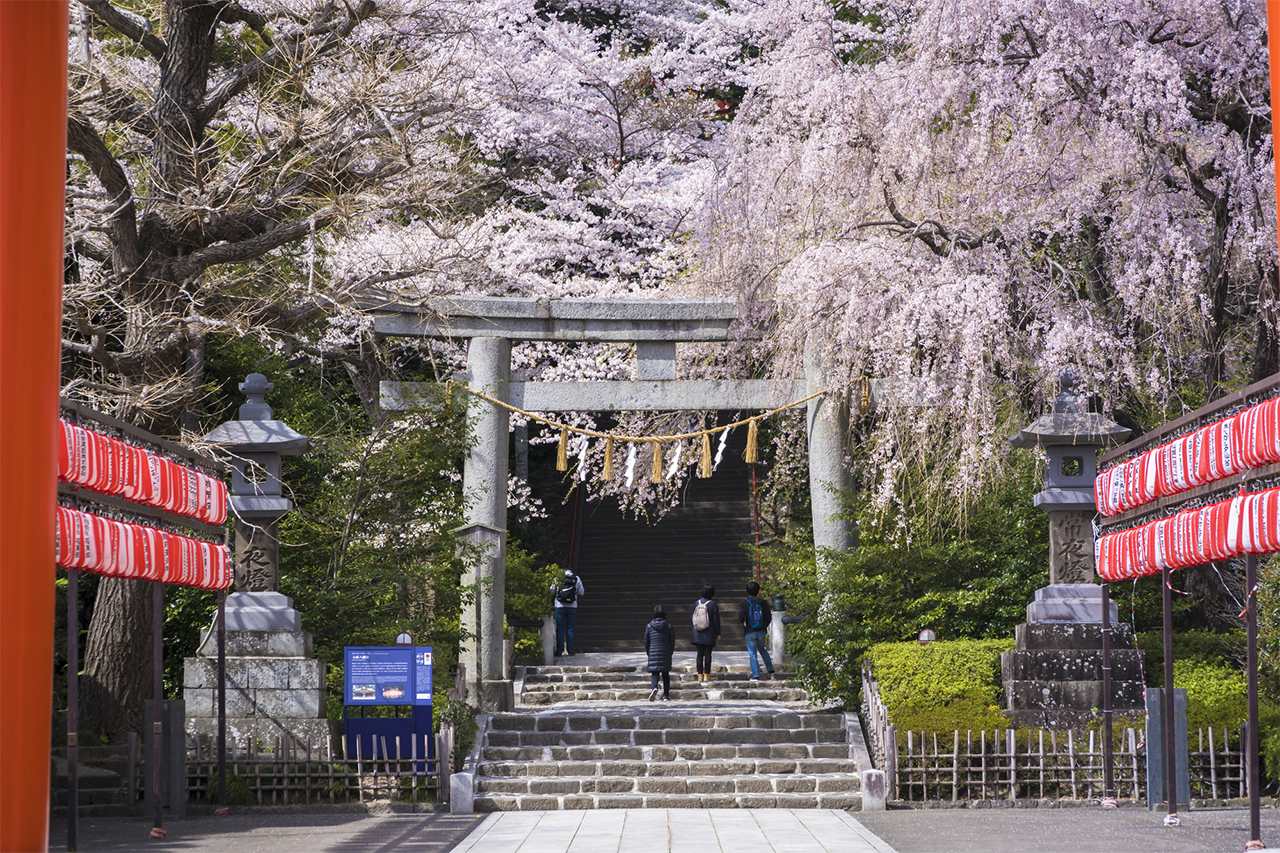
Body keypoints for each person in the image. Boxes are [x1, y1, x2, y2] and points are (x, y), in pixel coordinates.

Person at [737, 581, 775, 680]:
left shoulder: (745, 603)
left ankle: (756, 675)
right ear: (759, 590)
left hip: (750, 631)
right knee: (762, 649)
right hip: (761, 631)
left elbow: (740, 617)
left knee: (752, 653)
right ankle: (770, 670)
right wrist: (764, 626)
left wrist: (744, 624)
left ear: (747, 591)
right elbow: (768, 617)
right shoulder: (764, 603)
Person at [643, 605, 675, 701]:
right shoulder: (668, 626)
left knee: (655, 673)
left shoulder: (649, 626)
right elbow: (672, 641)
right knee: (665, 674)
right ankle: (665, 695)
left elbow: (646, 641)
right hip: (665, 651)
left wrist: (649, 652)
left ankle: (654, 688)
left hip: (653, 650)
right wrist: (670, 652)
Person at [690, 584, 721, 682]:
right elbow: (716, 620)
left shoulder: (697, 603)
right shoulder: (712, 604)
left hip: (697, 632)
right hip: (709, 632)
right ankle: (707, 674)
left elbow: (693, 617)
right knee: (708, 653)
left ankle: (700, 675)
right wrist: (718, 633)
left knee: (699, 654)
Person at [551, 568, 585, 657]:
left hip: (559, 606)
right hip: (572, 606)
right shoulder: (576, 578)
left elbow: (552, 590)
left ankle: (559, 650)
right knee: (570, 628)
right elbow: (581, 593)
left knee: (560, 628)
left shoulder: (557, 578)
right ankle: (570, 650)